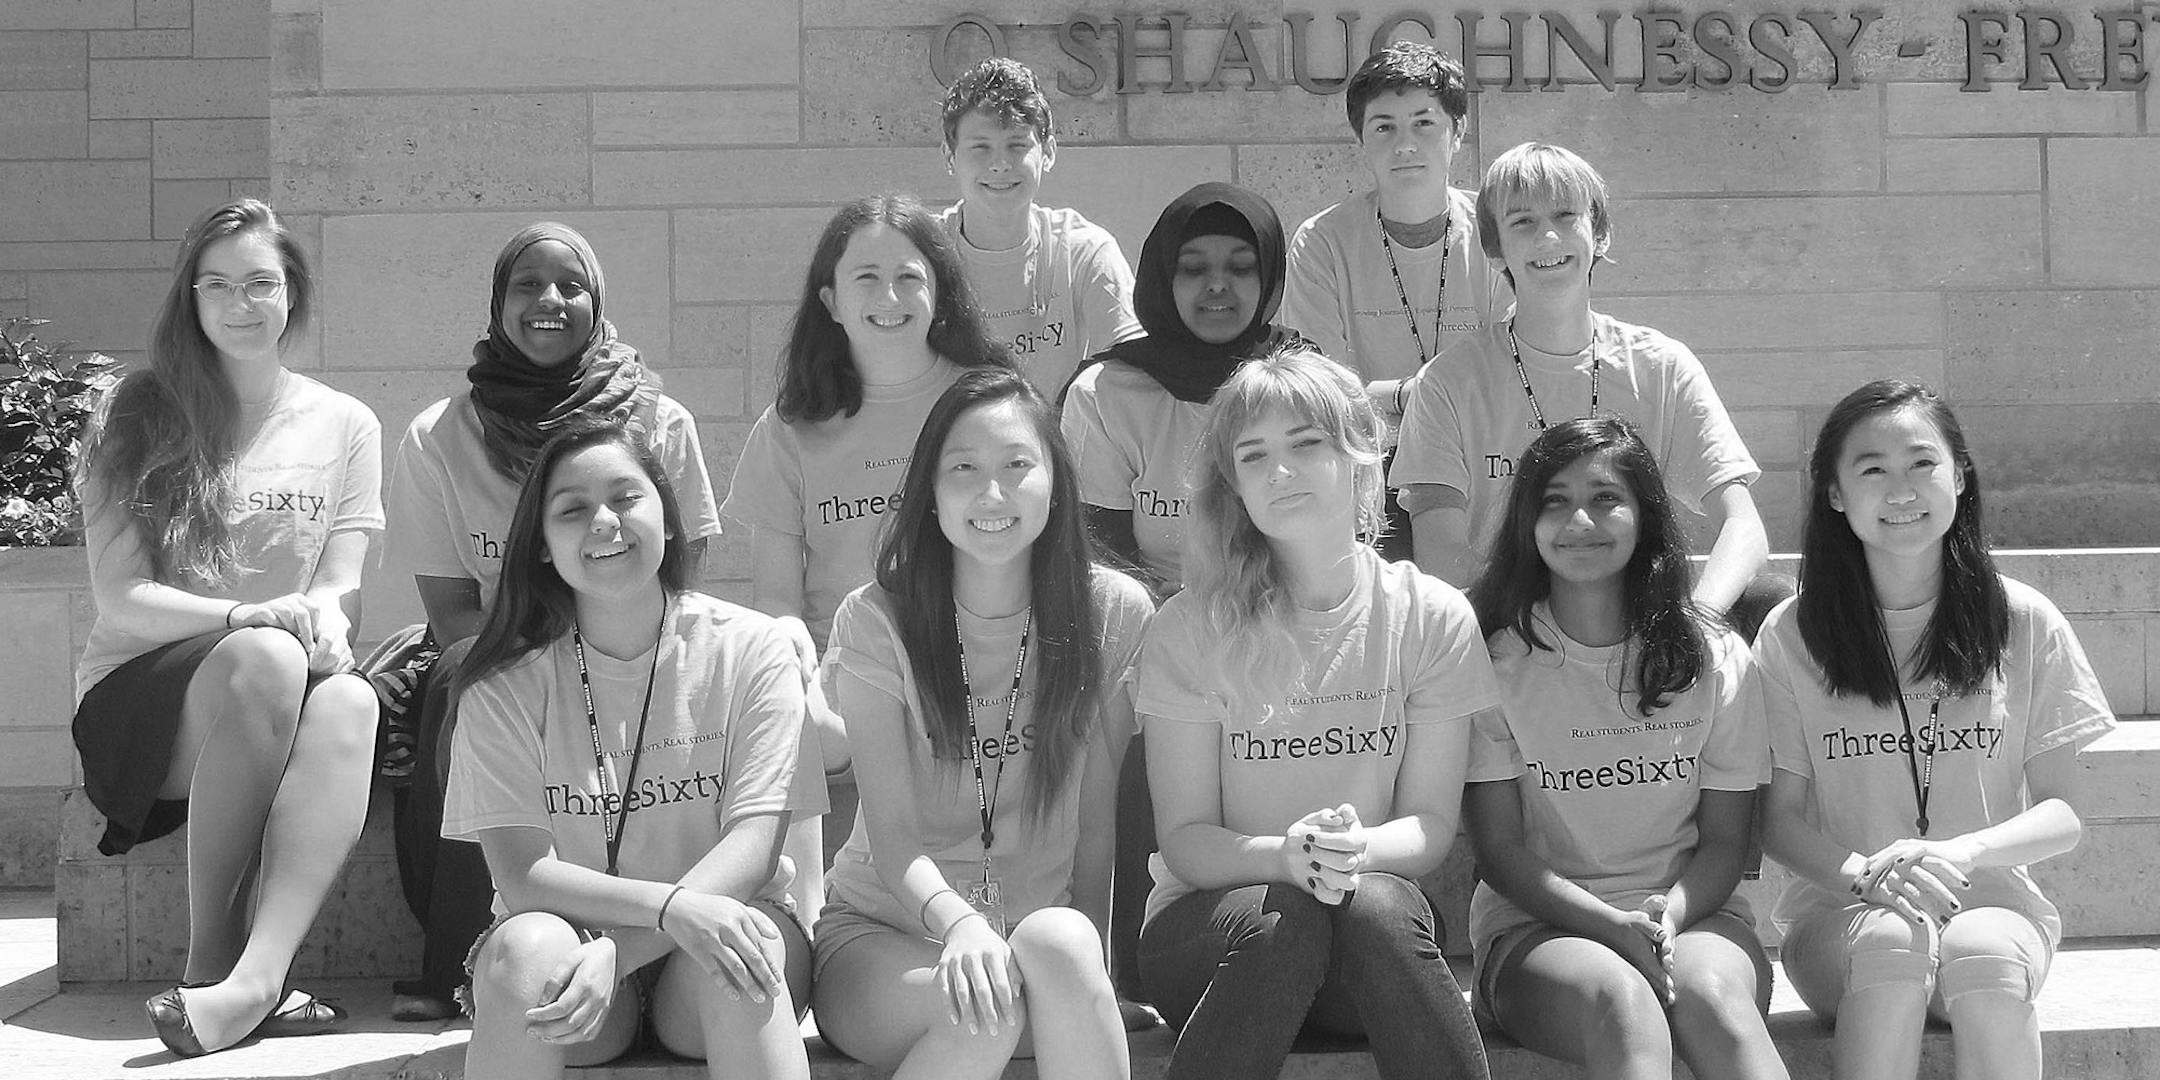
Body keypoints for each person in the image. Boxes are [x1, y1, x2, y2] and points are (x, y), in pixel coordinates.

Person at [383, 221, 724, 1020]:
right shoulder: (438, 436)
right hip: (501, 644)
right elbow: (448, 609)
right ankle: (458, 967)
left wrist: (604, 652)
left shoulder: (657, 420)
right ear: (497, 305)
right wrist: (538, 662)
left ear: (597, 304)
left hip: (634, 647)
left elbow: (681, 575)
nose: (549, 300)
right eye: (526, 285)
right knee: (469, 680)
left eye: (570, 285)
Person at [71, 198, 381, 1056]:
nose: (240, 305)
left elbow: (338, 582)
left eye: (260, 284)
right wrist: (249, 616)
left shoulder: (346, 424)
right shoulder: (131, 417)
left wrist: (330, 627)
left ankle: (255, 982)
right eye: (217, 287)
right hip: (144, 704)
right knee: (265, 657)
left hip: (274, 678)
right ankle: (210, 962)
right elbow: (122, 599)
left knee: (351, 704)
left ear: (293, 296)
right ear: (190, 300)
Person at [1135, 347, 1494, 1080]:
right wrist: (1286, 857)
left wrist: (1346, 852)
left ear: (1362, 457)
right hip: (1210, 941)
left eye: (1306, 445)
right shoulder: (1186, 628)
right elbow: (1187, 841)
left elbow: (1429, 825)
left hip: (1366, 940)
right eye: (1254, 454)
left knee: (1376, 909)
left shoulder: (1430, 616)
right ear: (1232, 484)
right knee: (1286, 913)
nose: (1281, 471)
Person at [1759, 380, 2115, 1080]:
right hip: (1846, 920)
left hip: (1993, 909)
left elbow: (2065, 812)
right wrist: (1867, 876)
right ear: (1834, 494)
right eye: (1872, 469)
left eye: (1923, 463)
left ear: (1959, 475)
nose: (1902, 489)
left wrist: (1966, 851)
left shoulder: (2023, 619)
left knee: (1980, 947)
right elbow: (1777, 821)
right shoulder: (1792, 633)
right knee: (1897, 936)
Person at [445, 424, 823, 1080]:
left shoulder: (753, 650)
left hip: (718, 937)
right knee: (525, 953)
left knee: (741, 941)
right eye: (571, 508)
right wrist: (665, 911)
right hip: (572, 954)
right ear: (540, 546)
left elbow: (756, 847)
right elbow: (523, 875)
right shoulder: (502, 684)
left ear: (669, 520)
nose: (603, 522)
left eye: (625, 498)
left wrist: (627, 949)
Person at [812, 369, 1147, 1080]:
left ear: (1056, 481)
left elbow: (1096, 817)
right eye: (963, 468)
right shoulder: (877, 619)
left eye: (1017, 465)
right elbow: (894, 841)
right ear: (929, 493)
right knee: (985, 1014)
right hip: (886, 937)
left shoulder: (1113, 612)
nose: (991, 493)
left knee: (1061, 943)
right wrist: (960, 924)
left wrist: (1096, 977)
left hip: (1030, 941)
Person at [1462, 416, 1787, 1080]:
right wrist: (1612, 926)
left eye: (1606, 497)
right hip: (1539, 930)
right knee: (1625, 1002)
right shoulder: (1492, 662)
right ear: (1528, 523)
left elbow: (1726, 843)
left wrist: (1665, 915)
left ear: (1646, 516)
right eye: (1555, 501)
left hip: (1696, 919)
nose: (1580, 519)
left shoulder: (1714, 656)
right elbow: (1499, 851)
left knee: (1715, 999)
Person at [1391, 142, 1767, 609]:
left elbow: (1744, 526)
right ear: (1494, 249)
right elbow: (1441, 556)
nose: (1548, 238)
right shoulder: (1447, 383)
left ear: (1601, 233)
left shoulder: (1662, 367)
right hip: (1511, 636)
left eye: (1566, 216)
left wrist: (1701, 619)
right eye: (1523, 221)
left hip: (1642, 628)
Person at [1282, 41, 1508, 561]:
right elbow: (1325, 394)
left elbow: (1509, 377)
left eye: (1424, 123)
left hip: (1485, 467)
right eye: (1384, 126)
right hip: (1368, 472)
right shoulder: (1322, 242)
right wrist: (1414, 394)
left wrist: (1393, 396)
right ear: (1361, 139)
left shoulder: (1496, 234)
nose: (1404, 144)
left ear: (1458, 132)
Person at [1063, 181, 1306, 598]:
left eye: (1242, 267)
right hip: (1154, 631)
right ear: (1164, 278)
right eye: (1194, 269)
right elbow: (1102, 565)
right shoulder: (1105, 395)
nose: (1217, 284)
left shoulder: (1303, 382)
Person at [936, 57, 1141, 393]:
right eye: (980, 148)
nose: (1000, 164)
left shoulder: (1083, 251)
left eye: (1017, 145)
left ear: (1048, 152)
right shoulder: (922, 251)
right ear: (949, 156)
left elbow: (1131, 372)